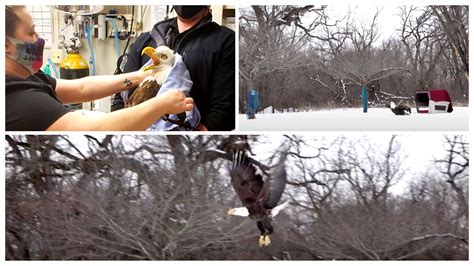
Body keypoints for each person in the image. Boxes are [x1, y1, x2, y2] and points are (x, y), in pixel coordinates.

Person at [6, 6, 193, 131]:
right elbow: (99, 129)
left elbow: (81, 88)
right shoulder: (17, 99)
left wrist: (142, 74)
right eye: (31, 32)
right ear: (6, 45)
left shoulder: (28, 76)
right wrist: (162, 105)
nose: (38, 38)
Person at [112, 5, 235, 131]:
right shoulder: (146, 40)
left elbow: (225, 109)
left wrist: (197, 134)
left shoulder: (226, 41)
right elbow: (121, 92)